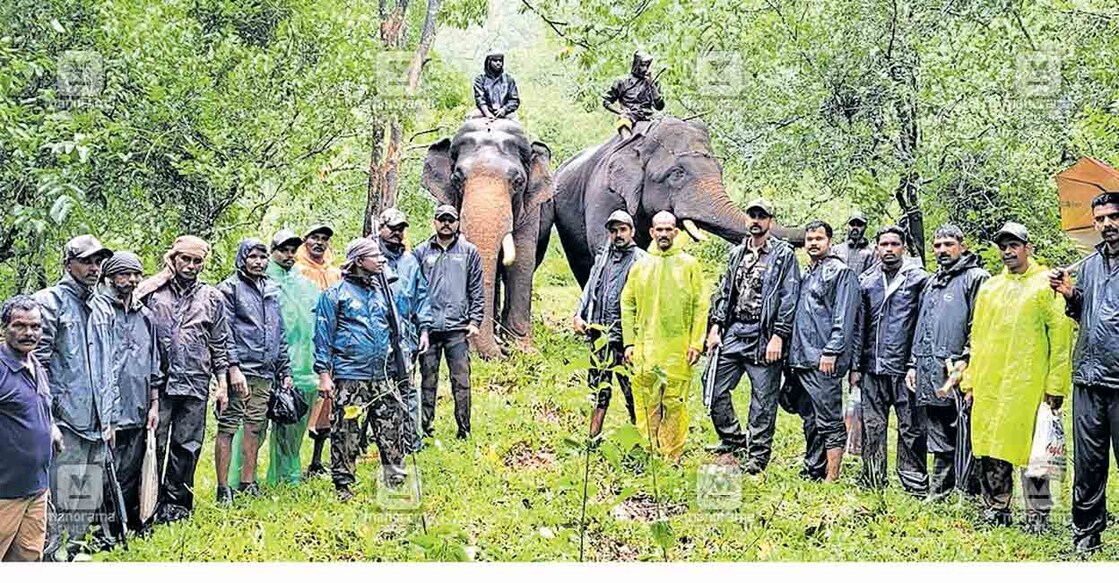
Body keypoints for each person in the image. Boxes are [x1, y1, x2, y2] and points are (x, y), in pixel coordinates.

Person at [963, 222, 1072, 533]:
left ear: (1029, 248)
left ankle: (1038, 514)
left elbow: (1061, 337)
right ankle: (996, 507)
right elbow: (977, 335)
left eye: (1014, 245)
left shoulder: (1046, 284)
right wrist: (970, 379)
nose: (1008, 251)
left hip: (1029, 383)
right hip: (990, 382)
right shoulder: (990, 288)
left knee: (1034, 449)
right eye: (1004, 246)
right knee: (992, 445)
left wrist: (1055, 385)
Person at [134, 236, 231, 524]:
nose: (190, 265)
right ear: (173, 259)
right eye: (185, 259)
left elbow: (220, 342)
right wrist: (161, 276)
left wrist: (222, 383)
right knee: (155, 443)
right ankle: (147, 506)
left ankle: (176, 506)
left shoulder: (212, 297)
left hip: (195, 381)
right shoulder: (154, 292)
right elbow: (129, 304)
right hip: (158, 384)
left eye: (197, 260)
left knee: (187, 446)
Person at [703, 199, 801, 474]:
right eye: (752, 215)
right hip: (735, 330)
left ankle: (757, 457)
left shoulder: (783, 255)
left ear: (770, 221)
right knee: (713, 386)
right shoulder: (737, 253)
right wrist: (715, 326)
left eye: (762, 216)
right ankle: (733, 439)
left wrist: (779, 336)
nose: (756, 220)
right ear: (746, 219)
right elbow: (724, 292)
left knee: (763, 400)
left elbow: (789, 297)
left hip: (764, 334)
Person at [32, 235, 116, 555]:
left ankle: (71, 557)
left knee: (83, 502)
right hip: (63, 424)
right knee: (56, 503)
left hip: (96, 423)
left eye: (98, 262)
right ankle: (48, 562)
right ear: (69, 264)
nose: (94, 268)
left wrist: (110, 418)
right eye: (87, 261)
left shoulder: (103, 306)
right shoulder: (47, 303)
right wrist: (47, 420)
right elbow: (35, 368)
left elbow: (110, 366)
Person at [1049, 191, 1119, 554]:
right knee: (1088, 463)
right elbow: (1084, 316)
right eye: (1100, 218)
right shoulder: (1089, 264)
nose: (1107, 224)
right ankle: (1086, 534)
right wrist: (1069, 295)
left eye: (1113, 216)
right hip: (1089, 377)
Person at [313, 238, 406, 501]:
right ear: (358, 261)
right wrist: (324, 375)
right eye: (374, 256)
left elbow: (397, 331)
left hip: (382, 374)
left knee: (391, 425)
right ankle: (343, 483)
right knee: (347, 430)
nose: (381, 260)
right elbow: (322, 336)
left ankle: (395, 479)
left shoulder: (382, 292)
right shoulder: (335, 295)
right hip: (349, 376)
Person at [907, 224, 988, 499]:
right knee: (938, 432)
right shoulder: (931, 281)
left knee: (968, 432)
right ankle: (940, 491)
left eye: (948, 244)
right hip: (930, 368)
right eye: (938, 245)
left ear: (962, 246)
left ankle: (970, 493)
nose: (942, 250)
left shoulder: (976, 278)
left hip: (961, 371)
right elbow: (922, 324)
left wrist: (968, 362)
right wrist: (912, 363)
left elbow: (980, 326)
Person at [620, 211, 708, 460]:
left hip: (678, 349)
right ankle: (649, 451)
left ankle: (671, 455)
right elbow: (627, 304)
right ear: (651, 232)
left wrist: (696, 342)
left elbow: (701, 305)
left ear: (676, 233)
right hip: (646, 348)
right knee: (646, 401)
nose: (664, 234)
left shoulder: (689, 265)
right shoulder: (641, 266)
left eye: (669, 229)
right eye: (659, 230)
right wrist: (629, 343)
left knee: (674, 402)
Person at [850, 226, 928, 494]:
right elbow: (860, 326)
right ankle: (872, 478)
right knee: (873, 425)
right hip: (873, 366)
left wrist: (915, 363)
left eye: (895, 244)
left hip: (905, 367)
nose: (889, 249)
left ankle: (913, 482)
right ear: (877, 247)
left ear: (903, 248)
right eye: (884, 244)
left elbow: (923, 325)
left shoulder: (918, 280)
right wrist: (856, 366)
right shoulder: (867, 281)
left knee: (911, 428)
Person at [214, 239, 293, 504]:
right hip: (241, 370)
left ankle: (248, 482)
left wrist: (285, 369)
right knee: (228, 426)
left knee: (255, 427)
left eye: (262, 257)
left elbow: (278, 331)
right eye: (253, 257)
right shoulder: (229, 289)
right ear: (242, 258)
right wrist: (232, 368)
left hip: (265, 371)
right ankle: (223, 487)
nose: (259, 262)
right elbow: (223, 332)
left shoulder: (270, 288)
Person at [786, 221, 858, 482]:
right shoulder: (807, 273)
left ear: (829, 241)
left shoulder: (842, 273)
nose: (813, 243)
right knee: (809, 417)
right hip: (801, 358)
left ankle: (833, 476)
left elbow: (844, 317)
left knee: (829, 418)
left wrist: (832, 351)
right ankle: (813, 467)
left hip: (823, 360)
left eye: (819, 238)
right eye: (809, 239)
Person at [98, 252, 163, 535]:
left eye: (137, 274)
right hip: (106, 409)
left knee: (132, 470)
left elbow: (154, 363)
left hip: (138, 406)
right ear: (110, 277)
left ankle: (131, 523)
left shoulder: (146, 316)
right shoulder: (99, 312)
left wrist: (154, 405)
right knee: (102, 472)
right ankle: (103, 529)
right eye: (125, 274)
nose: (132, 280)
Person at [574, 210, 647, 438]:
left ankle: (642, 438)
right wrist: (579, 314)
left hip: (626, 340)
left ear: (632, 231)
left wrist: (636, 341)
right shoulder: (602, 257)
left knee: (632, 391)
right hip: (599, 336)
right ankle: (592, 437)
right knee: (598, 389)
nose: (618, 235)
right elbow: (590, 288)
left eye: (623, 230)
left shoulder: (642, 261)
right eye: (614, 231)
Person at [414, 205, 484, 440]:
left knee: (461, 382)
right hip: (429, 329)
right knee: (427, 381)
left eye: (450, 220)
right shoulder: (421, 252)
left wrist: (475, 320)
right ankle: (425, 428)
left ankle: (464, 430)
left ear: (457, 223)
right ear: (434, 222)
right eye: (442, 219)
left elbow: (476, 289)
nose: (446, 224)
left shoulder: (469, 252)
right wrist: (419, 325)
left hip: (458, 330)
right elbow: (415, 290)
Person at [0, 296, 59, 562]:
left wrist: (52, 428)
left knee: (28, 559)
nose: (28, 333)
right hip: (5, 492)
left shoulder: (36, 365)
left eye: (35, 327)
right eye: (20, 326)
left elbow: (37, 406)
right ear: (4, 328)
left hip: (36, 489)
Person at [262, 229, 322, 485]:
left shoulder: (305, 284)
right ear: (271, 252)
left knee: (292, 423)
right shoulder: (262, 283)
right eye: (282, 250)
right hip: (264, 367)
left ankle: (287, 476)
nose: (288, 255)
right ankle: (241, 479)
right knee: (253, 427)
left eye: (291, 250)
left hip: (302, 369)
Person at [377, 209, 431, 452]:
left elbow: (421, 297)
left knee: (407, 388)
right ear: (381, 228)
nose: (397, 234)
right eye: (393, 228)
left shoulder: (410, 261)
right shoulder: (371, 257)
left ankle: (411, 441)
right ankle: (379, 440)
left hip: (406, 337)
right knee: (378, 390)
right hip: (377, 338)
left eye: (401, 229)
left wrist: (424, 330)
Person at [294, 224, 341, 477]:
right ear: (305, 241)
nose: (319, 243)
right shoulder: (298, 271)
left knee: (328, 403)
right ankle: (289, 462)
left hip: (331, 344)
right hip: (302, 346)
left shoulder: (334, 273)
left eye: (324, 239)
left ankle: (316, 461)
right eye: (314, 237)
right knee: (300, 402)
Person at [603, 51, 665, 138]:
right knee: (623, 122)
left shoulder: (653, 82)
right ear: (636, 64)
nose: (645, 69)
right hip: (629, 116)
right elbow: (606, 102)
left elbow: (660, 106)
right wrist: (621, 112)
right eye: (642, 65)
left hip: (649, 118)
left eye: (647, 66)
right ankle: (626, 142)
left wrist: (651, 84)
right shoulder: (622, 82)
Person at [472, 52, 520, 120]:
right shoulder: (480, 79)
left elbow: (514, 100)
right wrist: (487, 113)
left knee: (517, 125)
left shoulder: (509, 79)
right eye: (495, 60)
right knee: (469, 119)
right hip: (484, 111)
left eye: (500, 60)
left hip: (506, 112)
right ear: (489, 62)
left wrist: (504, 110)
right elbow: (480, 98)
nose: (498, 63)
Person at [833, 213, 879, 277]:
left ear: (865, 227)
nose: (855, 228)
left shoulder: (873, 251)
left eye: (859, 225)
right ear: (847, 226)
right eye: (852, 225)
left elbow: (875, 272)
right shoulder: (836, 250)